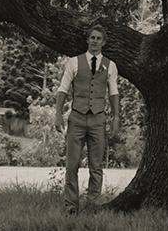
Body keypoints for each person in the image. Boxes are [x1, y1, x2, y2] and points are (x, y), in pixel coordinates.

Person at [54, 25, 119, 214]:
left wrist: (116, 118)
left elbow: (114, 93)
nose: (95, 41)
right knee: (72, 164)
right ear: (87, 40)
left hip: (98, 120)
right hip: (76, 118)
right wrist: (58, 114)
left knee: (96, 166)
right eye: (92, 37)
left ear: (104, 42)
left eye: (99, 38)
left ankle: (92, 206)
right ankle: (71, 207)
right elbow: (63, 89)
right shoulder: (74, 62)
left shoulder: (110, 65)